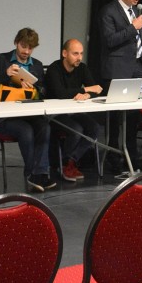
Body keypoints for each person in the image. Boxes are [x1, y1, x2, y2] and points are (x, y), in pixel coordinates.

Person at [0, 27, 56, 192]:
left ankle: (41, 173)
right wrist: (6, 74)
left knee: (45, 127)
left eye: (30, 48)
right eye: (23, 46)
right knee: (26, 131)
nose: (26, 51)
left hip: (29, 114)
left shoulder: (36, 65)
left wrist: (34, 87)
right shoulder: (0, 60)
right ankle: (32, 174)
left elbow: (44, 91)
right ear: (16, 43)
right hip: (4, 117)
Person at [98, 0, 142, 169]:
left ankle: (132, 155)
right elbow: (110, 40)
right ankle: (113, 157)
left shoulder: (135, 11)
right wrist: (132, 28)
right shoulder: (109, 11)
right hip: (118, 69)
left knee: (133, 116)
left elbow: (141, 40)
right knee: (115, 117)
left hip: (138, 68)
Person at [44, 38, 104, 182]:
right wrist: (85, 89)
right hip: (54, 114)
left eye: (81, 54)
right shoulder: (53, 69)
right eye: (75, 54)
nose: (79, 58)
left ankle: (71, 161)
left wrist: (87, 94)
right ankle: (64, 164)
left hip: (73, 112)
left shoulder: (82, 68)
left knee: (95, 128)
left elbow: (97, 89)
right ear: (64, 53)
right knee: (76, 130)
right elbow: (60, 93)